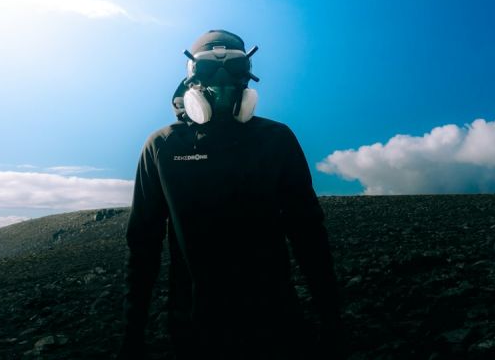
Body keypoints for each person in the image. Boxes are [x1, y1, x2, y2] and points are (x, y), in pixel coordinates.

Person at [118, 30, 344, 360]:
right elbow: (143, 246)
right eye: (208, 69)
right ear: (190, 78)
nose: (222, 82)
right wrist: (132, 336)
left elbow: (309, 234)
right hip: (195, 330)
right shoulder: (162, 148)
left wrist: (331, 320)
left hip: (276, 325)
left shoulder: (276, 140)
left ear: (247, 77)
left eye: (235, 69)